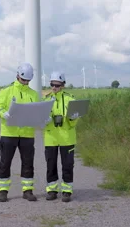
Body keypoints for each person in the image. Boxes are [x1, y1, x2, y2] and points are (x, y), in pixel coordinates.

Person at [0, 62, 40, 202]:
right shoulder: (6, 91)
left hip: (27, 134)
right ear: (17, 76)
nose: (25, 82)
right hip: (9, 133)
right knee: (5, 162)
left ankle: (27, 191)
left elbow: (37, 110)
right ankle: (3, 191)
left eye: (28, 80)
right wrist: (4, 113)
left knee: (28, 163)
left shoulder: (34, 94)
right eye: (23, 80)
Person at [42, 71, 81, 202]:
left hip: (67, 138)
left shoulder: (71, 99)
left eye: (57, 85)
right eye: (52, 84)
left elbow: (74, 122)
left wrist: (73, 119)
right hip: (51, 138)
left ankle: (67, 191)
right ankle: (52, 190)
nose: (54, 87)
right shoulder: (45, 100)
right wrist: (44, 120)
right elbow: (39, 120)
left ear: (63, 85)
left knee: (68, 165)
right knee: (50, 165)